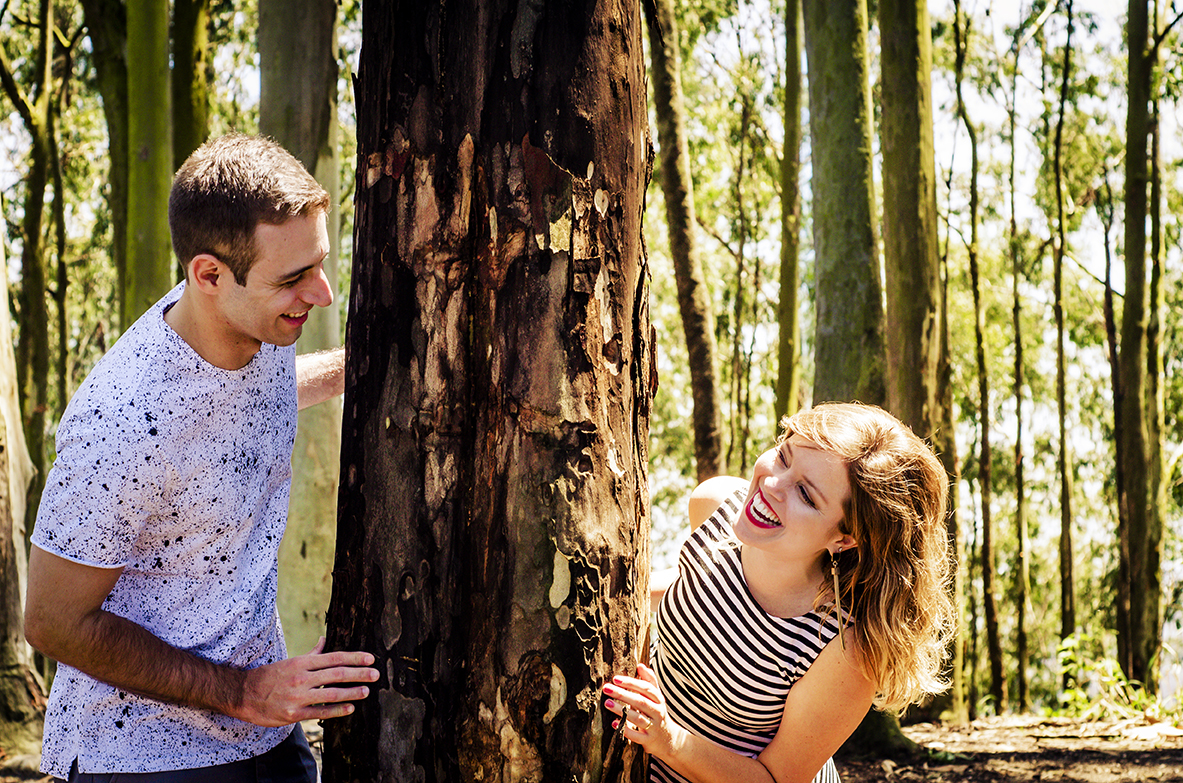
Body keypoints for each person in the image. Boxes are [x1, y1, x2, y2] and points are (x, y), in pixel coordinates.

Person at [25, 133, 379, 782]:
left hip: (265, 727)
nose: (323, 294)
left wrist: (357, 371)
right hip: (141, 753)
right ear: (209, 275)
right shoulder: (122, 423)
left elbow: (248, 401)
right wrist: (245, 691)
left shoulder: (259, 332)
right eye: (295, 278)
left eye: (320, 263)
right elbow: (51, 621)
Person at [604, 402, 955, 783]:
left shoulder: (845, 649)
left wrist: (669, 740)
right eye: (783, 456)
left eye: (805, 494)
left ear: (845, 538)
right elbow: (695, 584)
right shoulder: (716, 506)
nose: (772, 484)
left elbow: (777, 778)